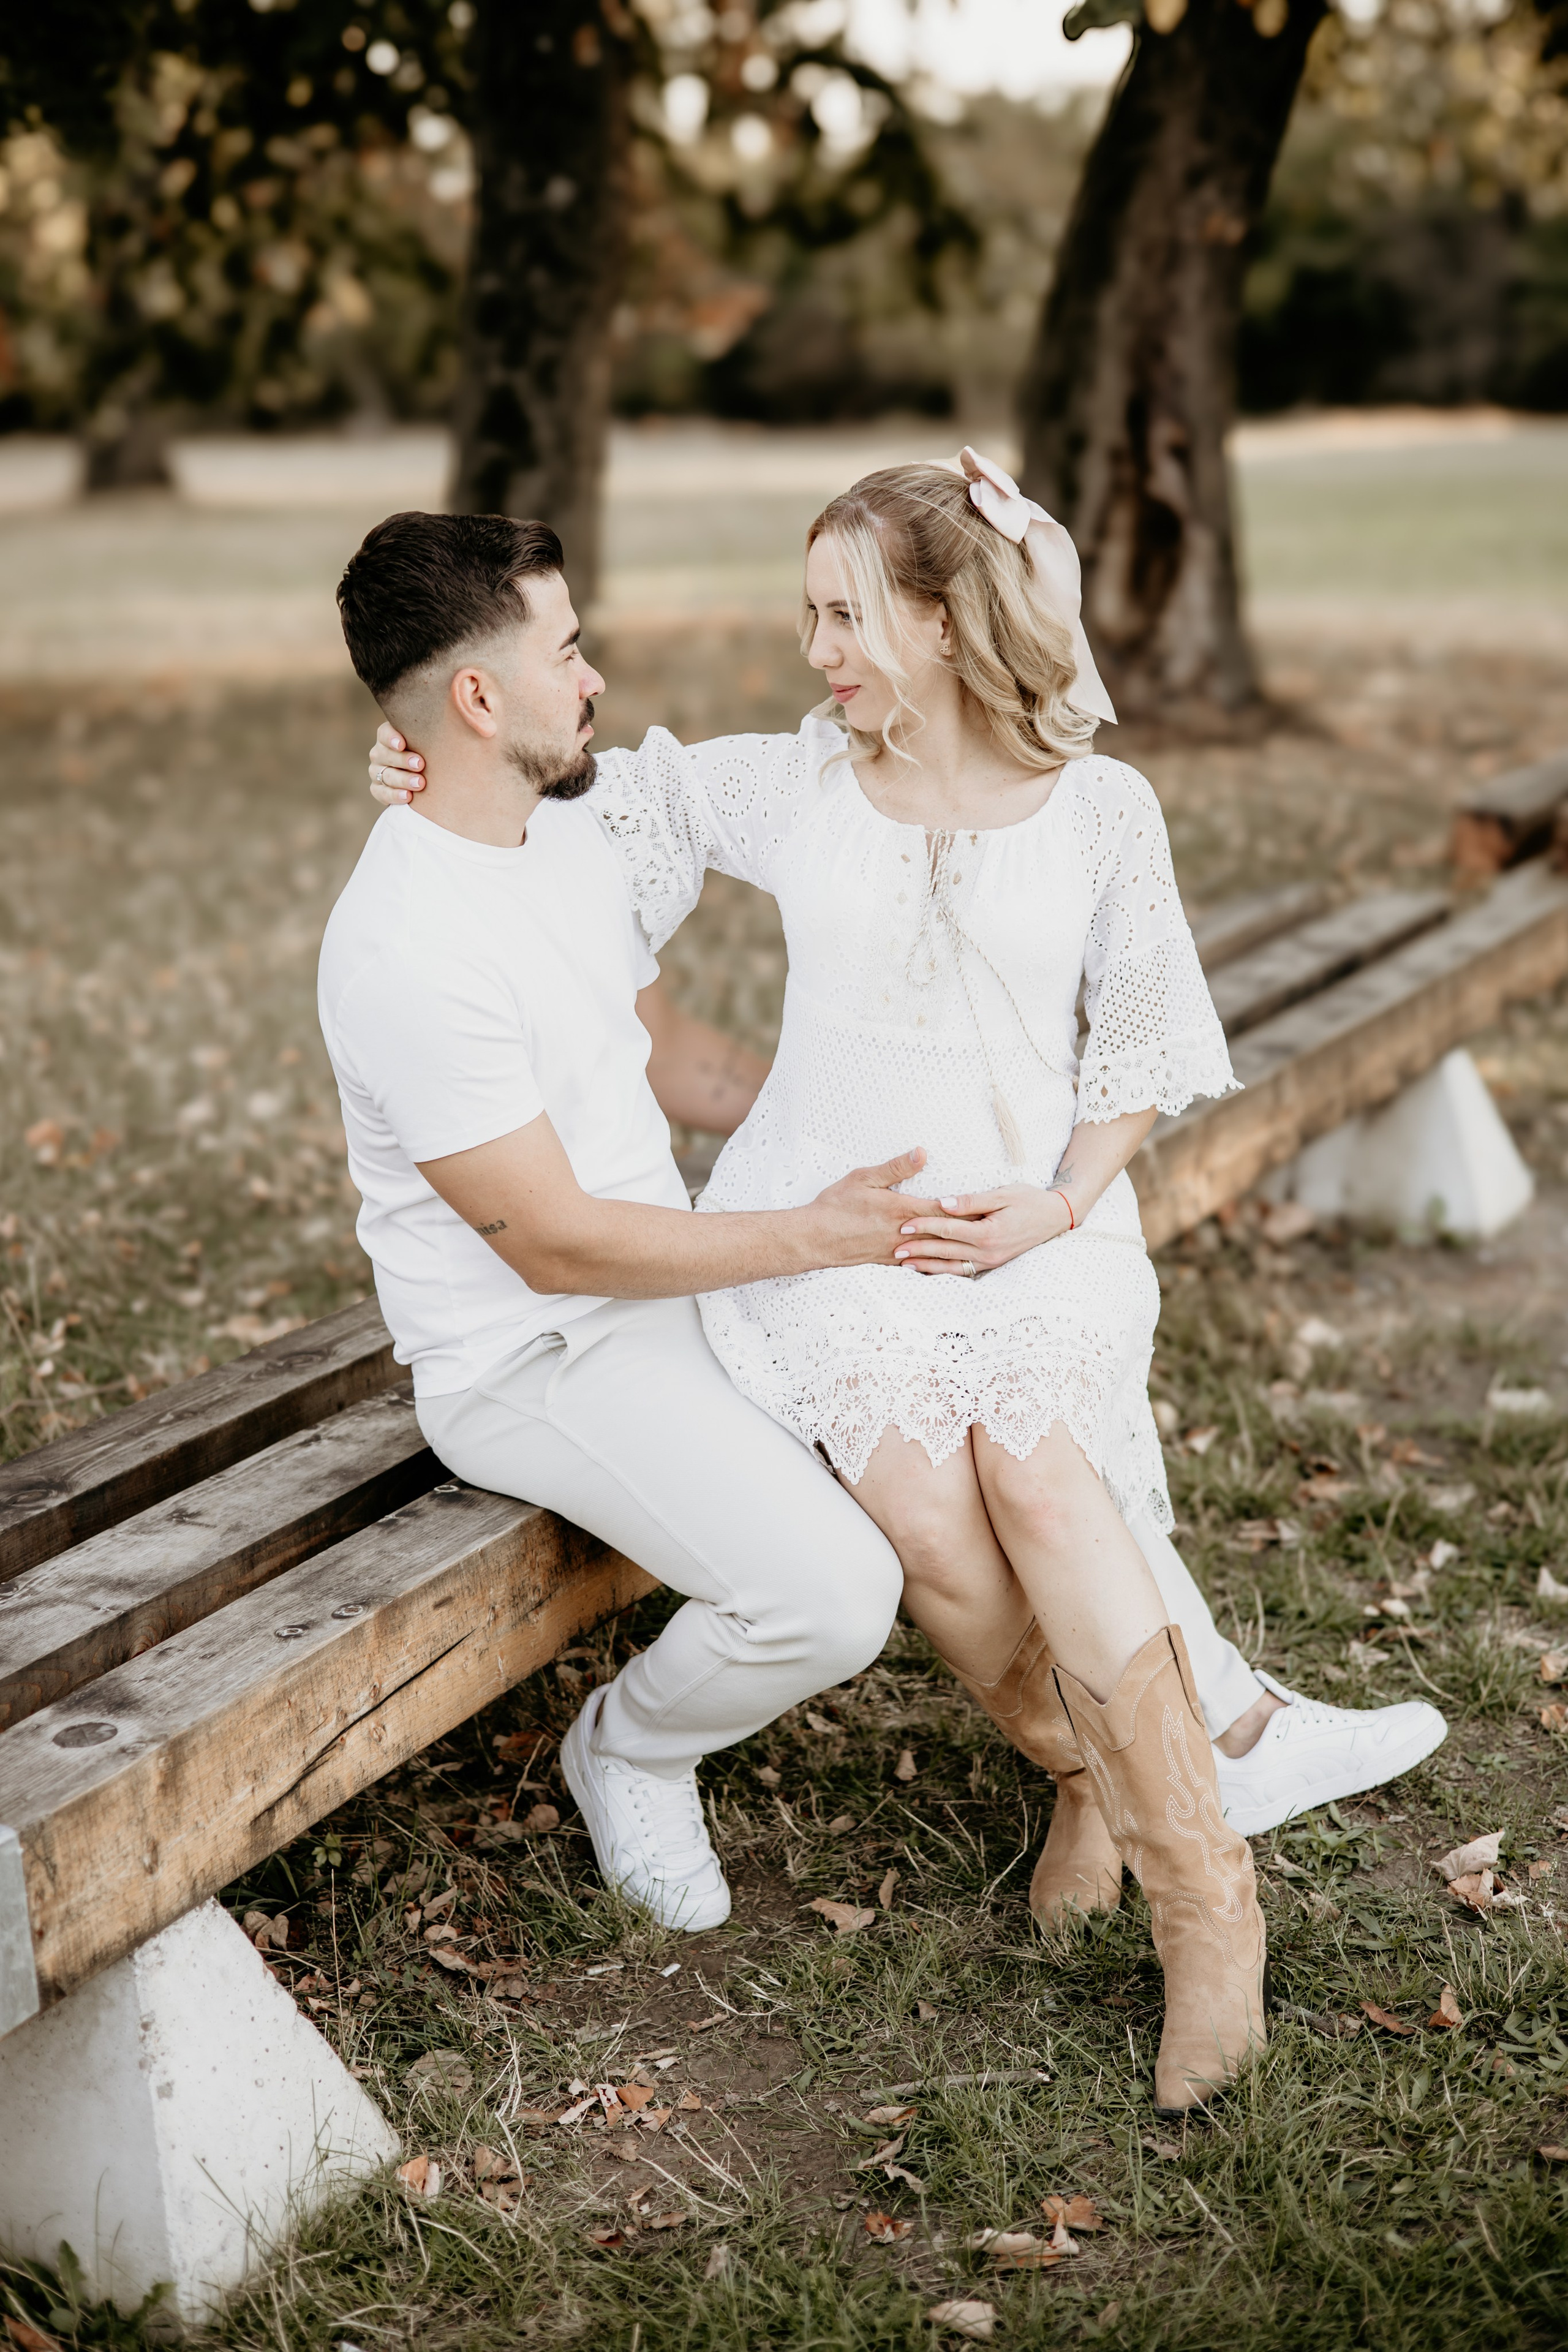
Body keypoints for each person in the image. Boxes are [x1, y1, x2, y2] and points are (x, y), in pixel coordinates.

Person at [357, 464, 1444, 2115]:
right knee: (926, 1534)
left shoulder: (1100, 808)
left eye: (844, 615)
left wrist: (1062, 1203)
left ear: (941, 625)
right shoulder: (799, 784)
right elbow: (599, 800)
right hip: (823, 1228)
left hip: (1026, 1222)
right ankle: (1096, 1767)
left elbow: (1141, 1044)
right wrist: (430, 756)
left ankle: (1205, 1900)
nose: (815, 649)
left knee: (1036, 1472)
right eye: (811, 612)